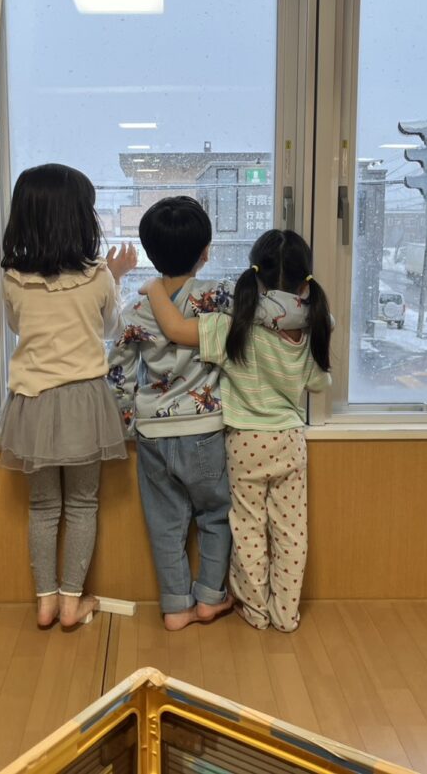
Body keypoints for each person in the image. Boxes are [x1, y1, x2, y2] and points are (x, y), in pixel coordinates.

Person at [143, 229, 331, 632]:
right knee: (291, 532)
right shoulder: (312, 327)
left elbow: (175, 330)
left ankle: (255, 610)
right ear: (305, 282)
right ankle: (285, 615)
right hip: (289, 440)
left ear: (255, 275)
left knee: (247, 529)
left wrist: (154, 289)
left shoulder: (233, 325)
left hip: (244, 442)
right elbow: (318, 384)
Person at [0, 163, 137, 629]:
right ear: (79, 218)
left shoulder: (13, 279)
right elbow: (110, 329)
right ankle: (73, 602)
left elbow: (18, 325)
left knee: (42, 507)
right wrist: (117, 276)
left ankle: (46, 603)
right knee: (81, 504)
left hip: (33, 402)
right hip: (82, 401)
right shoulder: (97, 276)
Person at [107, 196, 236, 631]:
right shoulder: (219, 296)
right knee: (215, 515)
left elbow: (119, 374)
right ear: (206, 252)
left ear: (149, 253)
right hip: (205, 429)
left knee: (165, 523)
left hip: (154, 433)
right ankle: (210, 598)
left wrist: (129, 423)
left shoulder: (135, 310)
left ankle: (176, 607)